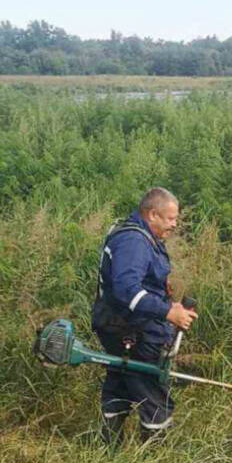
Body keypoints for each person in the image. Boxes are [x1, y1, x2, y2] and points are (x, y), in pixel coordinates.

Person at [91, 187, 198, 446]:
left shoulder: (139, 236)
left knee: (120, 381)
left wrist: (162, 293)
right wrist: (168, 311)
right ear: (152, 214)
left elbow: (139, 281)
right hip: (130, 330)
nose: (175, 224)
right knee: (152, 389)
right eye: (171, 218)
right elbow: (127, 289)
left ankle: (109, 450)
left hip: (116, 326)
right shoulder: (134, 242)